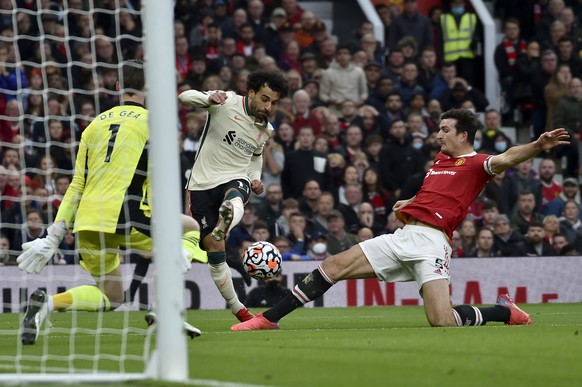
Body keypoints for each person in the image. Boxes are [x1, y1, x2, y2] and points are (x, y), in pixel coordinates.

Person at [231, 108, 570, 331]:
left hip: (433, 244)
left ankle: (504, 312)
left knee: (442, 321)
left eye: (445, 129)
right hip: (403, 235)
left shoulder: (478, 163)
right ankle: (269, 319)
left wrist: (537, 146)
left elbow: (510, 156)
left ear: (463, 135)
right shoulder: (439, 160)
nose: (438, 134)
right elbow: (438, 193)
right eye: (439, 129)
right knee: (334, 266)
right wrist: (410, 202)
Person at [16, 60, 203, 345]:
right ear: (148, 89)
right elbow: (158, 178)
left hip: (89, 221)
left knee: (112, 297)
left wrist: (55, 233)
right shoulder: (155, 122)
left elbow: (77, 184)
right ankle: (164, 307)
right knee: (190, 228)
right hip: (130, 215)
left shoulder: (93, 126)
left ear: (117, 87)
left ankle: (47, 305)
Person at [178, 69, 289, 323]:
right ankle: (238, 308)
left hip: (234, 178)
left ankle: (227, 218)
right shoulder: (226, 102)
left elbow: (255, 156)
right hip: (201, 184)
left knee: (237, 192)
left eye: (274, 102)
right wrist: (208, 99)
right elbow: (185, 97)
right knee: (215, 254)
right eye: (264, 98)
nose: (268, 106)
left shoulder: (266, 129)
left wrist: (255, 177)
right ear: (251, 92)